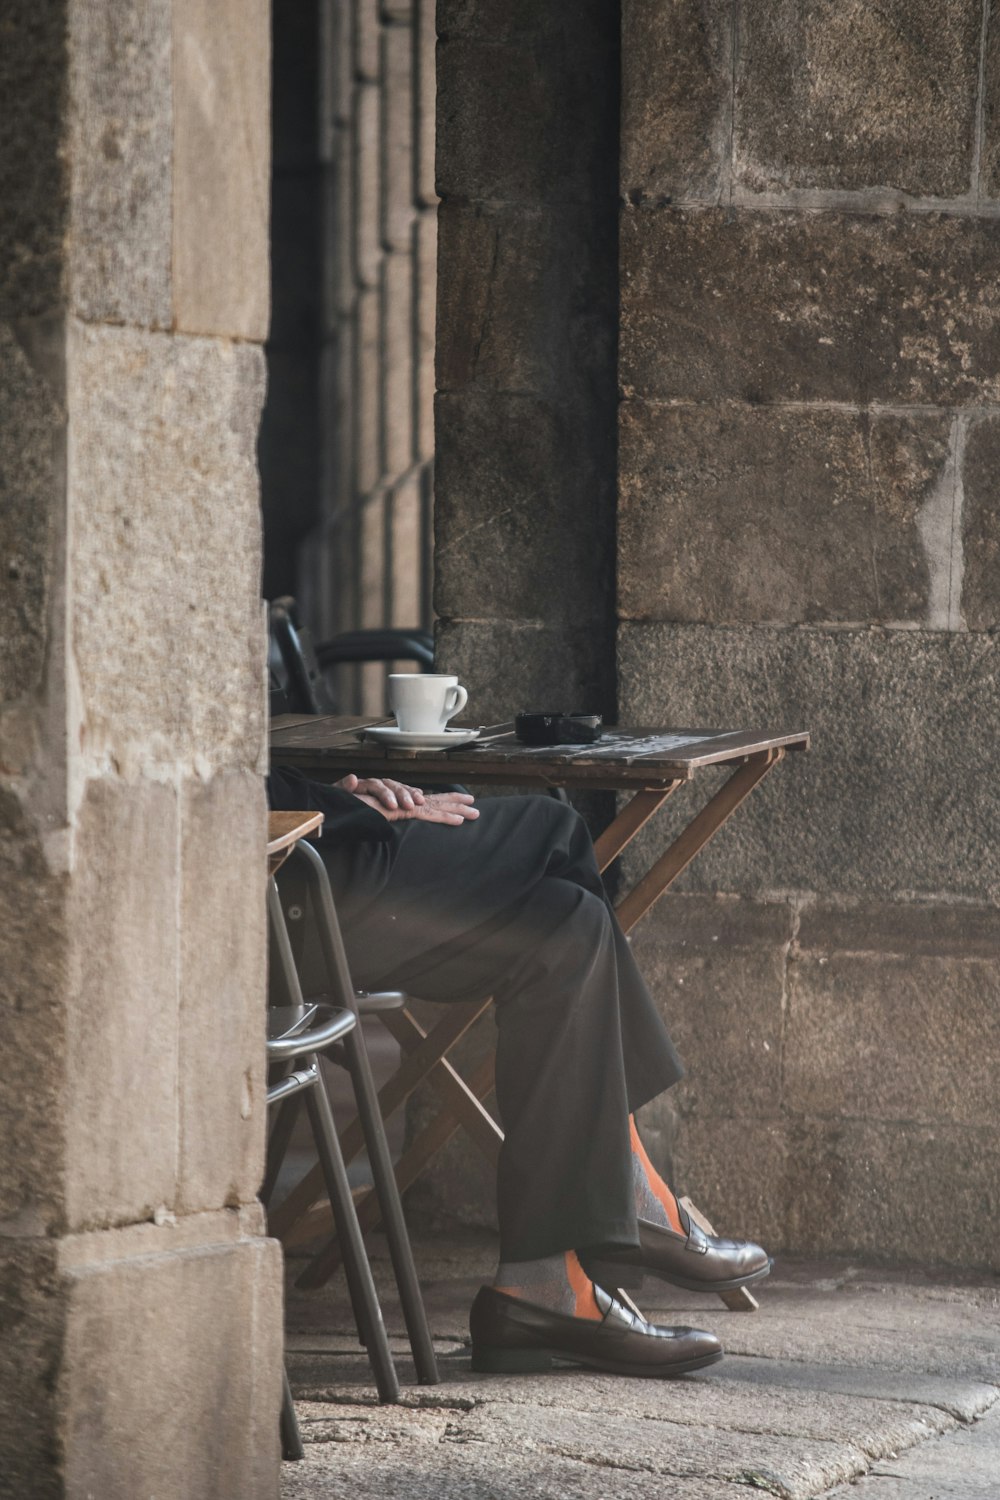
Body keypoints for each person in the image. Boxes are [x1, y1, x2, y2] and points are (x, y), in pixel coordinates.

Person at [268, 764, 770, 1378]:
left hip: (305, 858)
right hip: (281, 893)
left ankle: (539, 1292)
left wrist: (337, 792)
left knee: (567, 926)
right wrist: (335, 804)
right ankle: (631, 1195)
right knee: (552, 825)